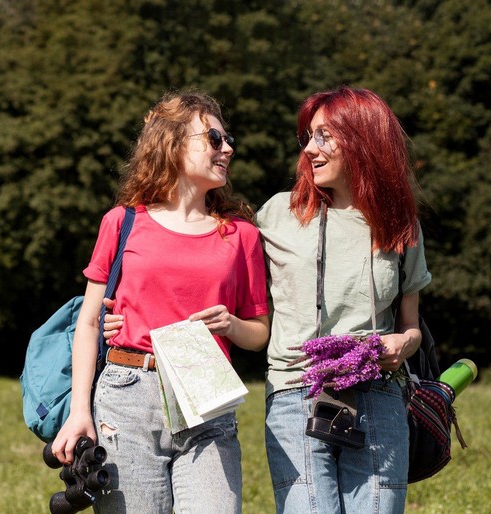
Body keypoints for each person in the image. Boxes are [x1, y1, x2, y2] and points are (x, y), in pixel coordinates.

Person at [49, 91, 270, 514]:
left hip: (207, 398)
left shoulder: (241, 235)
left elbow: (258, 333)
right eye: (214, 137)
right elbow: (91, 322)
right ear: (171, 143)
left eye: (228, 139)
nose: (228, 148)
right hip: (127, 393)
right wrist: (80, 412)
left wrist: (231, 324)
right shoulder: (123, 222)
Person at [256, 86, 431, 514]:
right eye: (309, 137)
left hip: (378, 394)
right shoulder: (278, 214)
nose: (311, 149)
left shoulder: (399, 225)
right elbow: (210, 268)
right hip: (295, 394)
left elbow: (411, 327)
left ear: (363, 139)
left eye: (324, 136)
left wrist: (401, 344)